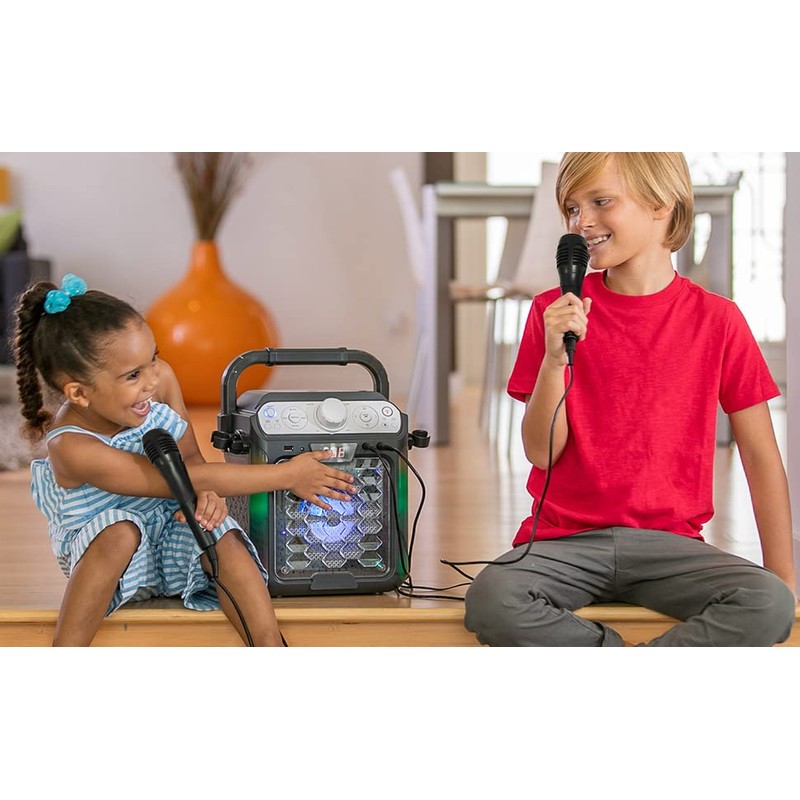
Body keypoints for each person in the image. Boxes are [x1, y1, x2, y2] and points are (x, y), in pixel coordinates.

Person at [464, 152, 796, 647]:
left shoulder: (718, 320)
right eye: (572, 209)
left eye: (600, 202)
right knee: (493, 598)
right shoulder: (551, 312)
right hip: (565, 543)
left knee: (767, 602)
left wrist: (784, 580)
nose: (581, 222)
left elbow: (761, 456)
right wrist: (554, 361)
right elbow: (540, 452)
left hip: (670, 548)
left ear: (661, 204)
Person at [12, 275, 356, 646]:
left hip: (170, 529)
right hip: (110, 557)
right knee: (120, 532)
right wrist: (288, 474)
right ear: (79, 393)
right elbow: (179, 479)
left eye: (153, 357)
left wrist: (207, 494)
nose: (151, 379)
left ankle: (269, 646)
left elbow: (190, 460)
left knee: (220, 532)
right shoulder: (72, 447)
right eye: (133, 374)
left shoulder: (159, 380)